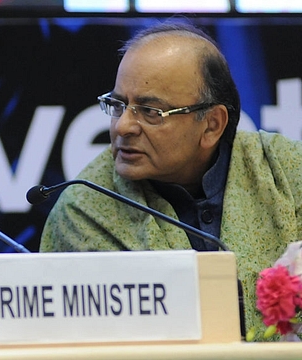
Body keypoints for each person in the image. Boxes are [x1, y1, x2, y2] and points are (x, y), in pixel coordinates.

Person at [39, 21, 302, 340]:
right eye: (118, 105)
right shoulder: (84, 210)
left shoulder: (288, 170)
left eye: (150, 111)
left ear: (211, 125)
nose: (122, 127)